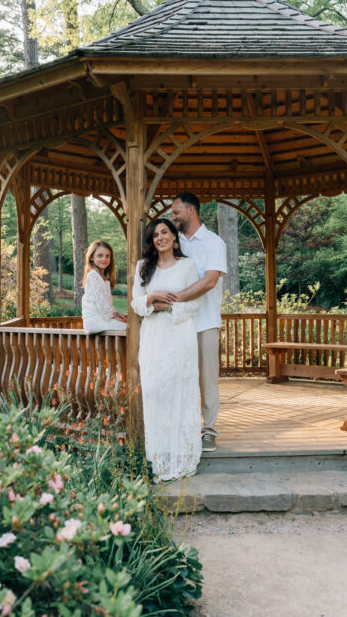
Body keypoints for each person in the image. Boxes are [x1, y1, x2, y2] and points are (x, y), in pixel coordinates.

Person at [130, 218, 203, 481]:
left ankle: (181, 456)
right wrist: (151, 299)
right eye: (155, 235)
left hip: (180, 335)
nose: (160, 238)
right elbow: (135, 304)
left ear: (174, 236)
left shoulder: (188, 266)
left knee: (179, 392)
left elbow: (195, 304)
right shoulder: (143, 267)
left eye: (165, 232)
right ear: (152, 241)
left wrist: (168, 306)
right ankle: (158, 457)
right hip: (153, 337)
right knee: (154, 391)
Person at [168, 192, 228, 453]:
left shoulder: (214, 243)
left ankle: (209, 430)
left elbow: (210, 280)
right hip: (178, 323)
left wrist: (176, 297)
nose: (173, 217)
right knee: (181, 377)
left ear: (191, 210)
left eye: (176, 212)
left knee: (207, 380)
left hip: (205, 322)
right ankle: (185, 427)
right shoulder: (173, 241)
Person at [80, 240, 127, 333]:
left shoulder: (103, 279)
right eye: (100, 255)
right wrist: (114, 315)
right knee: (130, 328)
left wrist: (116, 313)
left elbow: (106, 304)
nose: (104, 259)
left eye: (107, 256)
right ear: (92, 257)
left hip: (103, 319)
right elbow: (103, 307)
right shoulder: (93, 276)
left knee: (131, 326)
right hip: (95, 322)